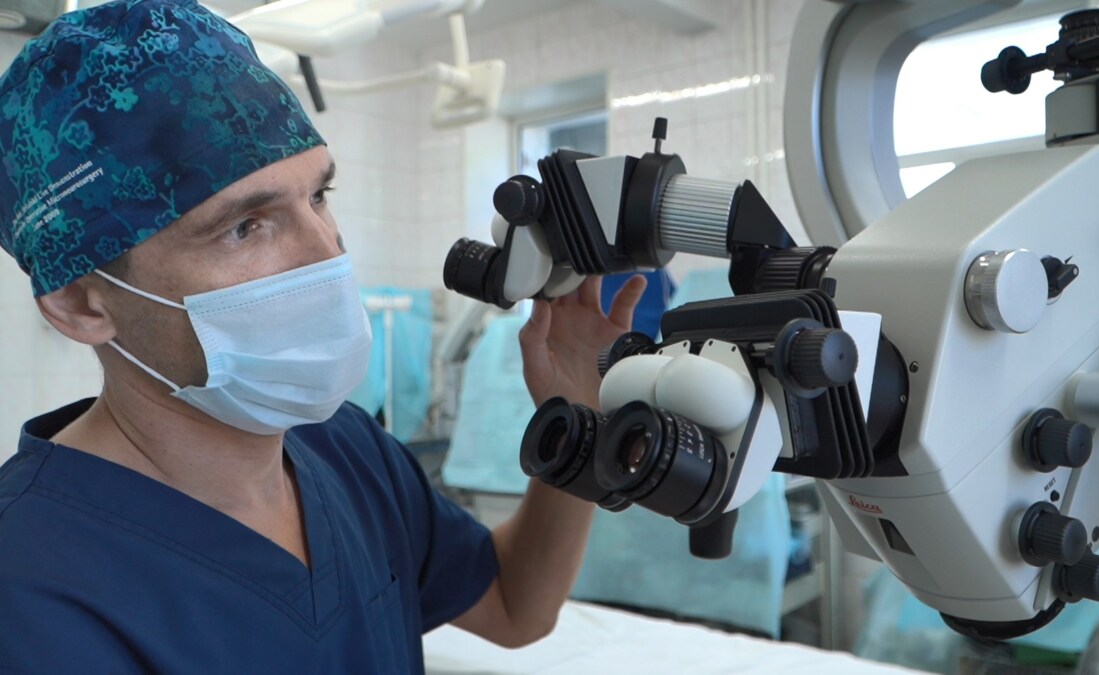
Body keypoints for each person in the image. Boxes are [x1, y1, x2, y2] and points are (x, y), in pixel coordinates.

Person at [0, 1, 646, 672]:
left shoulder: (343, 447)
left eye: (317, 197)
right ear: (80, 303)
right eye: (244, 226)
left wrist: (578, 412)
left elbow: (516, 607)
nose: (328, 252)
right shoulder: (31, 590)